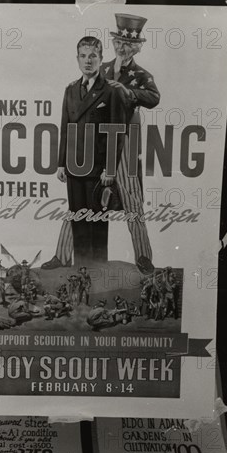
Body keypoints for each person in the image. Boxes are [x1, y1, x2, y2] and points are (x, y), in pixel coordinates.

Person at [42, 14, 160, 270]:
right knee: (80, 200)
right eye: (119, 42)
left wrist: (127, 91)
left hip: (124, 140)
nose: (122, 47)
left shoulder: (141, 74)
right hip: (94, 144)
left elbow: (153, 97)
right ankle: (62, 256)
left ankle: (143, 256)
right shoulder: (101, 67)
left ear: (137, 46)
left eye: (128, 44)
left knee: (131, 197)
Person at [57, 36, 127, 265]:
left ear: (101, 59)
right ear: (77, 59)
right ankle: (81, 271)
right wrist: (61, 163)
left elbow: (117, 132)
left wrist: (110, 169)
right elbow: (65, 129)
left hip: (98, 170)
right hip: (75, 167)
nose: (88, 61)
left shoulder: (110, 91)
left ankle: (98, 274)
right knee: (78, 220)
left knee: (97, 221)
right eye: (83, 56)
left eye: (93, 56)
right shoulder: (70, 90)